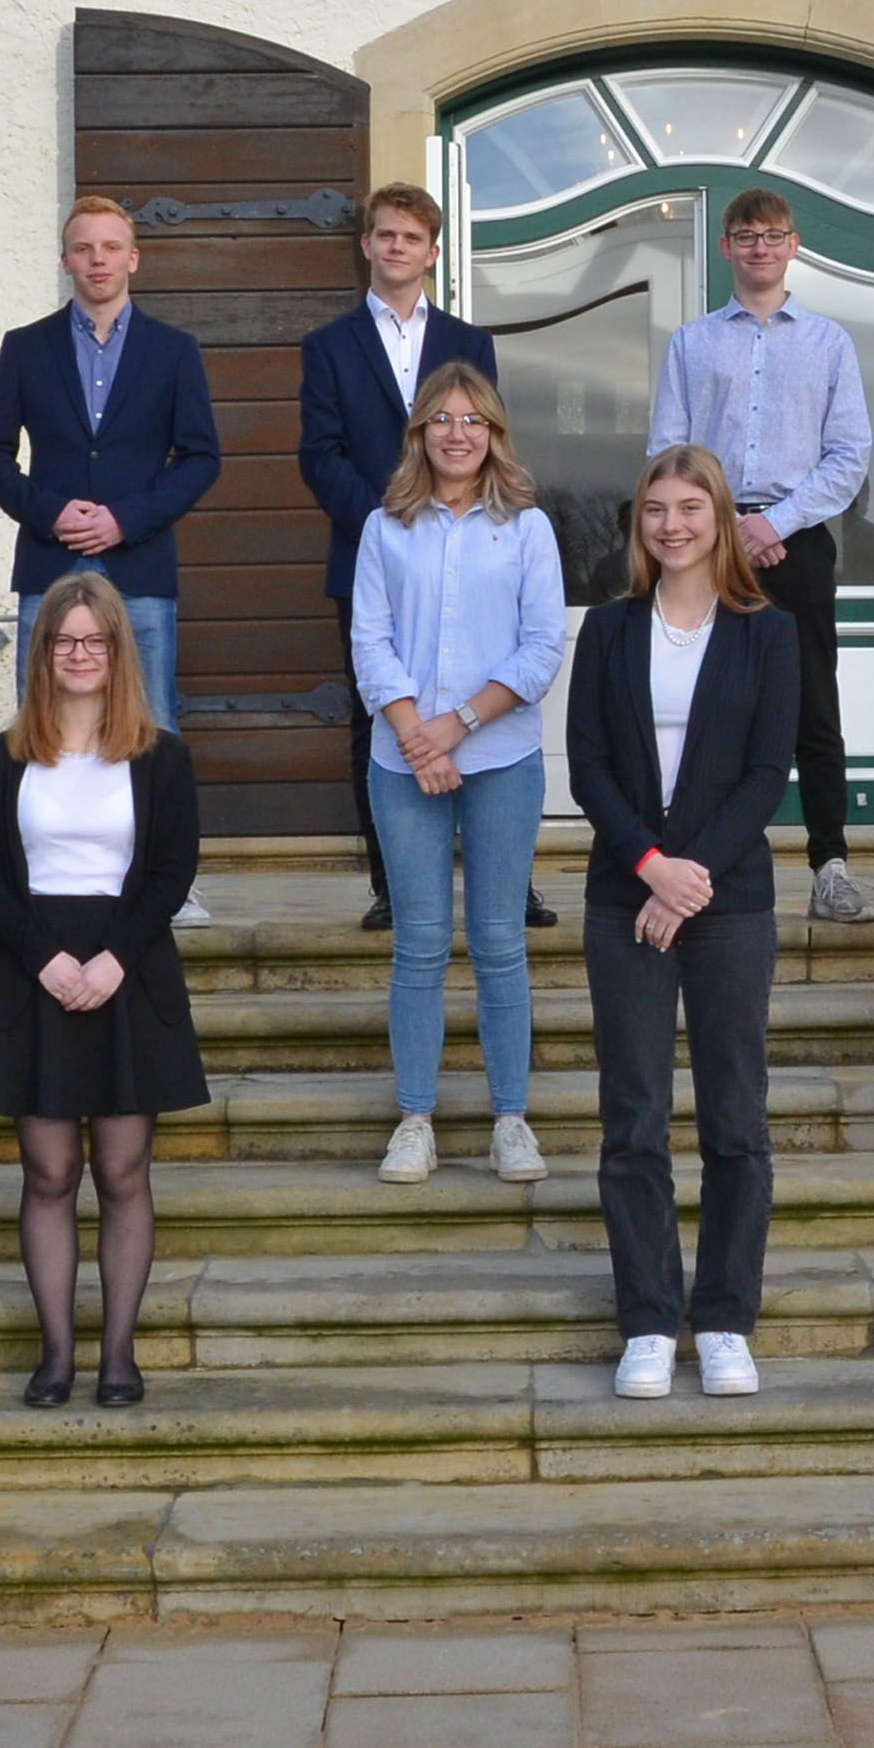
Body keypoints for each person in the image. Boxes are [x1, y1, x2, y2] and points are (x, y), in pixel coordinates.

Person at [567, 446, 799, 1403]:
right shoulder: (612, 631)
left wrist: (690, 878)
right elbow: (587, 768)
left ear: (720, 518)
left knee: (736, 1121)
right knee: (634, 1122)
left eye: (690, 506)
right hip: (626, 896)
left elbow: (766, 772)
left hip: (730, 904)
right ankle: (651, 1320)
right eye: (655, 508)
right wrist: (653, 869)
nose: (672, 524)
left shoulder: (767, 633)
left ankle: (728, 1317)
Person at [0, 573, 206, 1408]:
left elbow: (172, 872)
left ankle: (121, 1357)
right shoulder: (3, 757)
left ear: (116, 652)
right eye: (64, 641)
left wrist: (113, 959)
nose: (78, 654)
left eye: (94, 641)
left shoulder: (160, 755)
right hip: (36, 973)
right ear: (43, 653)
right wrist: (43, 958)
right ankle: (57, 1354)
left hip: (126, 969)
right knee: (50, 1171)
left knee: (125, 1169)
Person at [0, 194, 222, 923]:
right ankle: (34, 873)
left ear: (133, 258)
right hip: (50, 565)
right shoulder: (27, 346)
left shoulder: (174, 351)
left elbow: (201, 458)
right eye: (84, 248)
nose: (99, 260)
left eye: (112, 248)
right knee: (41, 718)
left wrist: (126, 518)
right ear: (66, 259)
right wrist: (51, 510)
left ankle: (170, 883)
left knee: (156, 721)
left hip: (139, 564)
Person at [352, 363, 567, 1188]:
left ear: (494, 434)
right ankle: (416, 1119)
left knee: (501, 945)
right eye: (440, 419)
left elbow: (543, 646)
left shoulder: (529, 529)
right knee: (418, 946)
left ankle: (511, 1119)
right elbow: (370, 641)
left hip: (500, 760)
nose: (456, 433)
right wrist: (416, 736)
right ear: (419, 434)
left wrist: (458, 725)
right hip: (402, 763)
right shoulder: (386, 528)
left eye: (473, 420)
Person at [646, 187, 874, 926]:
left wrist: (772, 521)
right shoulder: (692, 342)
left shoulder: (829, 342)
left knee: (815, 703)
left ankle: (831, 864)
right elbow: (667, 450)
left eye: (772, 235)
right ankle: (695, 858)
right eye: (745, 235)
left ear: (793, 245)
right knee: (706, 697)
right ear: (725, 248)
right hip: (704, 546)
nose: (759, 247)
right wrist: (718, 523)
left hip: (797, 544)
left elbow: (849, 455)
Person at [298, 183, 510, 933]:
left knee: (475, 698)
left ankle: (497, 876)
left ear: (432, 252)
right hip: (368, 554)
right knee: (377, 718)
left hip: (469, 552)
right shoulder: (327, 345)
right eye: (384, 236)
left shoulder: (468, 342)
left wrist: (443, 521)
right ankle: (392, 883)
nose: (396, 248)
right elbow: (318, 455)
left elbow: (485, 441)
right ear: (367, 244)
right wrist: (392, 526)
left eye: (411, 239)